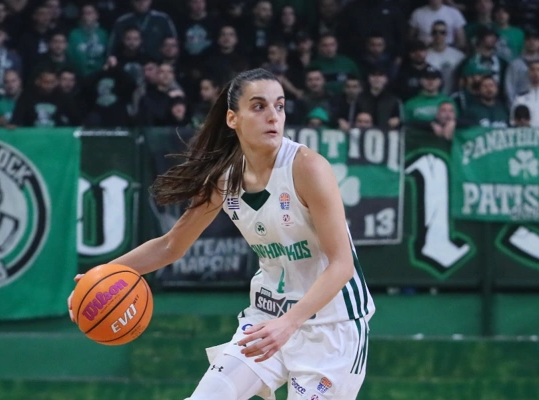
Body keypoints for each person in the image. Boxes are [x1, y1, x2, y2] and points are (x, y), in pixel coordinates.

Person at [68, 68, 374, 400]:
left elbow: (342, 265)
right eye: (259, 106)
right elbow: (171, 245)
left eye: (280, 106)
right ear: (232, 118)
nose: (273, 116)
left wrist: (289, 323)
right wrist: (101, 275)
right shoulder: (225, 178)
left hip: (331, 327)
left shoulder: (308, 167)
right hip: (267, 318)